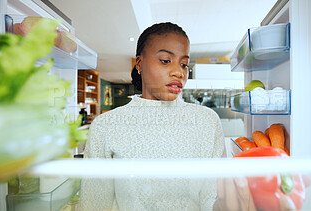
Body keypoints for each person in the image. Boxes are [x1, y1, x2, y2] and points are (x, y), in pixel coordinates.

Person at [80, 22, 225, 210]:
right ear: (139, 63)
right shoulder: (106, 126)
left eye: (184, 64)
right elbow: (94, 203)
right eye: (165, 60)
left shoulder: (207, 121)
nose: (178, 72)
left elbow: (211, 196)